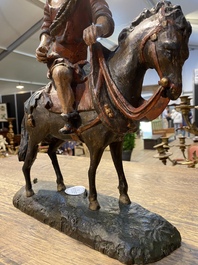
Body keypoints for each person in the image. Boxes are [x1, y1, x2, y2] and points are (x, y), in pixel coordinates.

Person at [36, 0, 115, 134]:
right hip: (60, 57)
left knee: (103, 76)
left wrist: (98, 28)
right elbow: (47, 29)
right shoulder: (50, 3)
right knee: (60, 73)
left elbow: (104, 16)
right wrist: (42, 45)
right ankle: (70, 118)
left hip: (83, 58)